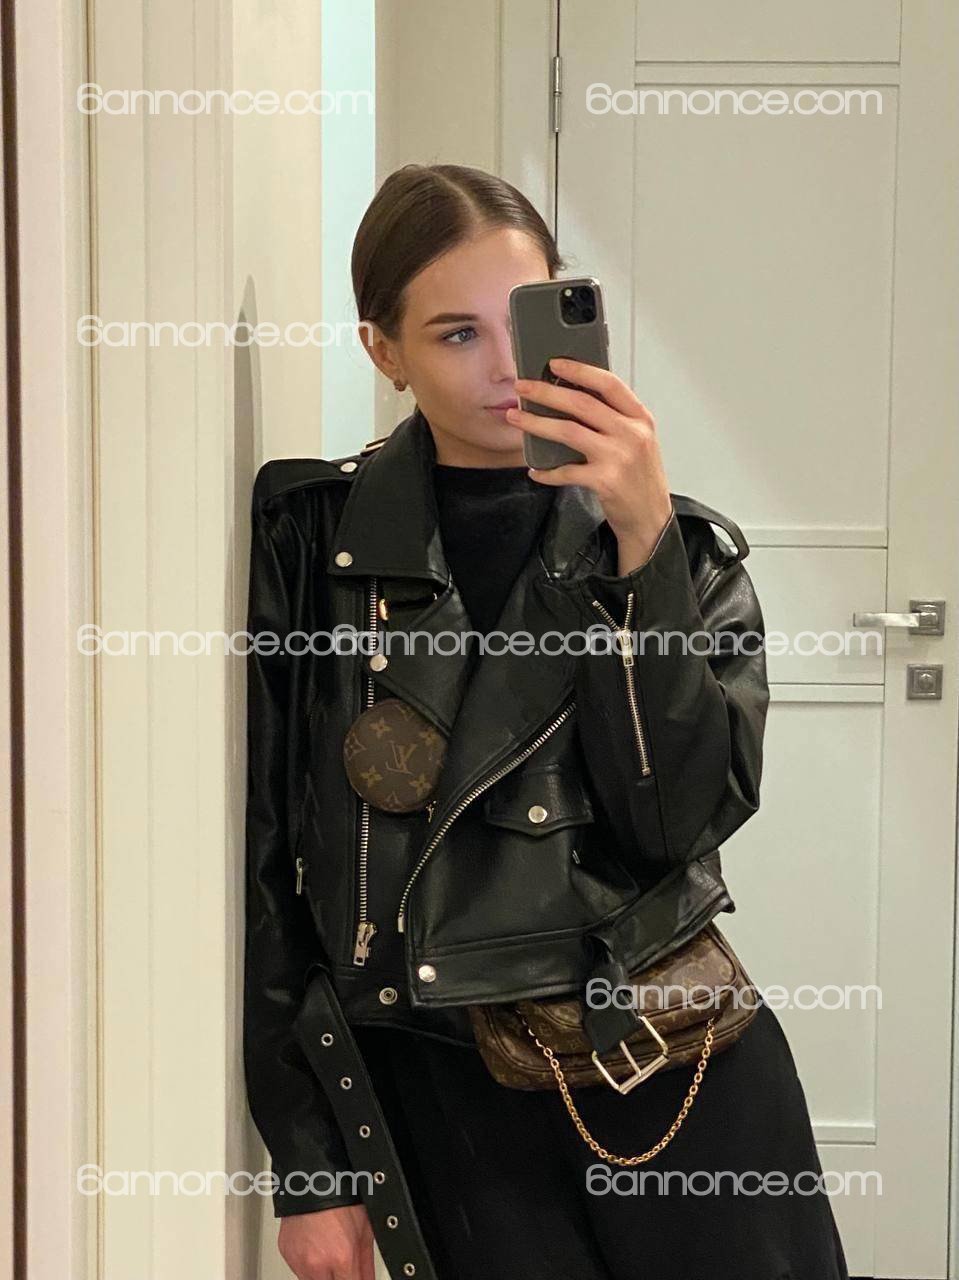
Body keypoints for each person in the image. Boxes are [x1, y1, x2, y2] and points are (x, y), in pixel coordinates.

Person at [243, 162, 851, 1280]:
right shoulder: (314, 542)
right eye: (454, 334)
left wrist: (641, 550)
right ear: (383, 351)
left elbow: (670, 825)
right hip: (447, 1089)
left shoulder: (683, 551)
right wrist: (312, 1165)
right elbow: (271, 864)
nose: (503, 369)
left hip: (675, 1071)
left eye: (518, 322)